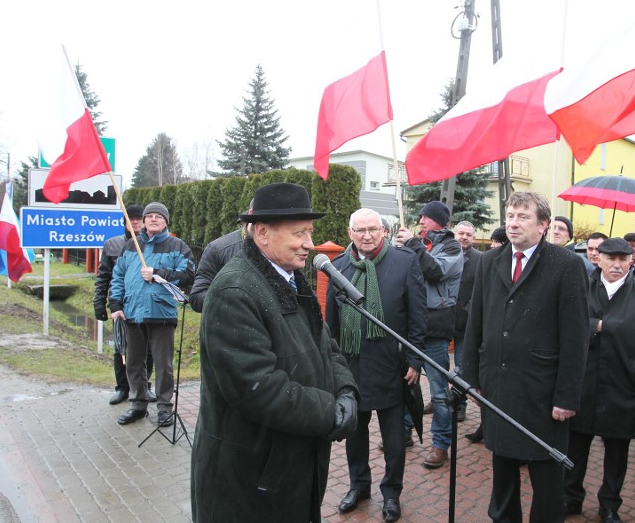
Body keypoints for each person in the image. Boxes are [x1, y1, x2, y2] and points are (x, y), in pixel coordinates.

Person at [190, 182, 358, 523]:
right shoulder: (234, 290)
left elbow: (326, 345)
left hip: (285, 467)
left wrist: (346, 393)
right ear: (263, 233)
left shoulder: (289, 277)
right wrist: (331, 412)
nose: (309, 244)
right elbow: (257, 388)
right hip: (250, 479)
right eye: (300, 234)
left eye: (310, 233)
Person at [462, 191, 590, 523]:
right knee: (502, 465)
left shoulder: (566, 265)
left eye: (523, 217)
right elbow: (475, 321)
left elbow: (576, 338)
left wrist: (567, 397)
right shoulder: (489, 261)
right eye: (510, 216)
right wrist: (472, 379)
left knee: (546, 471)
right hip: (499, 386)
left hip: (543, 390)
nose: (513, 223)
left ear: (543, 225)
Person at [326, 208, 426, 523]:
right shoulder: (338, 267)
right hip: (352, 365)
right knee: (355, 434)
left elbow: (417, 315)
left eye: (373, 229)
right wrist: (333, 363)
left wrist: (415, 358)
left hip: (392, 365)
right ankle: (359, 486)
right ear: (350, 232)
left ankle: (392, 493)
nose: (367, 235)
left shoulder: (404, 262)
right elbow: (332, 321)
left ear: (383, 230)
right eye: (361, 230)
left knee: (394, 439)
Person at [564, 238, 635, 523]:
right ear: (598, 258)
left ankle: (609, 504)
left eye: (624, 259)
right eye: (611, 258)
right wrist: (594, 326)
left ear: (632, 261)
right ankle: (570, 497)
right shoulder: (579, 289)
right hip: (582, 384)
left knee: (617, 452)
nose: (617, 265)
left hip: (623, 386)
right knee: (575, 447)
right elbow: (560, 327)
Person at [109, 202, 195, 427]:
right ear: (144, 221)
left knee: (163, 364)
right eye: (149, 216)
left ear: (166, 221)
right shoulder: (131, 246)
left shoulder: (177, 246)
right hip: (132, 313)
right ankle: (138, 404)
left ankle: (165, 408)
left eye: (158, 216)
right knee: (134, 362)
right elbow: (117, 276)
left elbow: (188, 274)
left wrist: (158, 273)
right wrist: (115, 304)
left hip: (162, 313)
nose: (153, 219)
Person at [393, 200, 463, 470]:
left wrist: (413, 245)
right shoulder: (418, 244)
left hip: (435, 328)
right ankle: (405, 432)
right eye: (420, 217)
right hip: (411, 324)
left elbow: (435, 271)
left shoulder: (451, 247)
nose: (421, 221)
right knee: (407, 383)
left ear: (440, 222)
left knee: (438, 392)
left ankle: (440, 445)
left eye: (426, 218)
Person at [93, 204, 155, 405]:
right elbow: (104, 276)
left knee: (148, 349)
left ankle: (144, 386)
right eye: (131, 218)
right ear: (125, 221)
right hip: (121, 305)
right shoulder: (112, 245)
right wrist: (100, 303)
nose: (135, 221)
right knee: (121, 347)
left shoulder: (153, 244)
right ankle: (122, 388)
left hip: (147, 305)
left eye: (138, 218)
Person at [465, 224, 508, 445]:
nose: (492, 246)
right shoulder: (488, 261)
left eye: (496, 242)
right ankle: (486, 427)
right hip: (486, 345)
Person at [452, 220, 481, 422]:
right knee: (434, 364)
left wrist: (469, 310)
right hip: (443, 319)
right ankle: (441, 396)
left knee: (462, 365)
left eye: (468, 235)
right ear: (455, 234)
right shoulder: (444, 254)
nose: (464, 237)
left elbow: (483, 290)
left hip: (466, 322)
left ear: (474, 238)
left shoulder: (481, 259)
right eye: (461, 233)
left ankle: (459, 403)